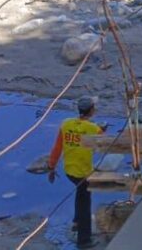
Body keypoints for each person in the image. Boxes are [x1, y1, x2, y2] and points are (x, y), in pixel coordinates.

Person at [48, 96, 103, 248]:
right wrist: (102, 130)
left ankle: (76, 222)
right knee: (85, 204)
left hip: (69, 171)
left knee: (80, 194)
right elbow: (102, 139)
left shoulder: (65, 124)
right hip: (84, 173)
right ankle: (84, 240)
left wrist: (51, 167)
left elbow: (57, 149)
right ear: (91, 111)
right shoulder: (92, 128)